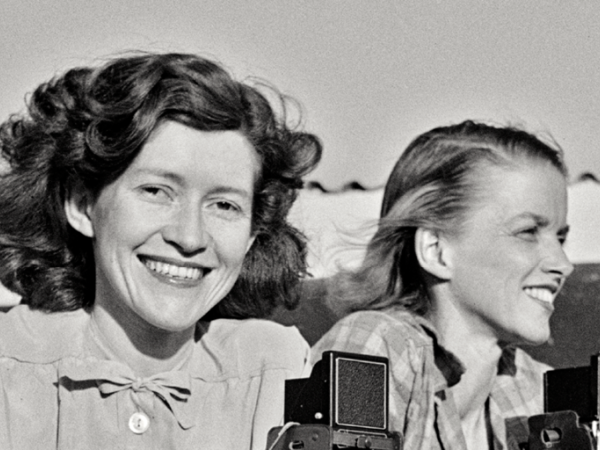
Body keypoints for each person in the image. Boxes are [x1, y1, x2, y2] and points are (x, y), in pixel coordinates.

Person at [0, 52, 322, 449]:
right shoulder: (8, 364)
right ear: (83, 205)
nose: (190, 237)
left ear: (253, 233)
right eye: (156, 191)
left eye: (224, 205)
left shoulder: (278, 372)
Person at [311, 120, 573, 449]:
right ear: (436, 250)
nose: (563, 263)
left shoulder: (534, 389)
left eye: (561, 237)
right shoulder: (373, 350)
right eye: (528, 232)